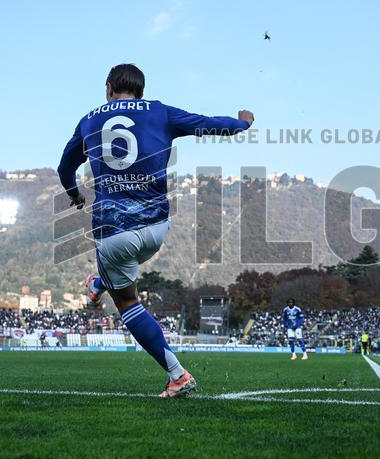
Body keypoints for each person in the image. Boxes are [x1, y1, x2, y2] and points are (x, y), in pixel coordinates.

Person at [59, 63, 253, 398]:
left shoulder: (89, 120)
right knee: (120, 270)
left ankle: (177, 375)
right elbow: (207, 124)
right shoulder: (159, 111)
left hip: (114, 232)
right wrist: (243, 123)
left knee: (127, 301)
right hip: (157, 228)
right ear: (141, 90)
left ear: (109, 88)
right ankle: (98, 283)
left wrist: (74, 194)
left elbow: (65, 166)